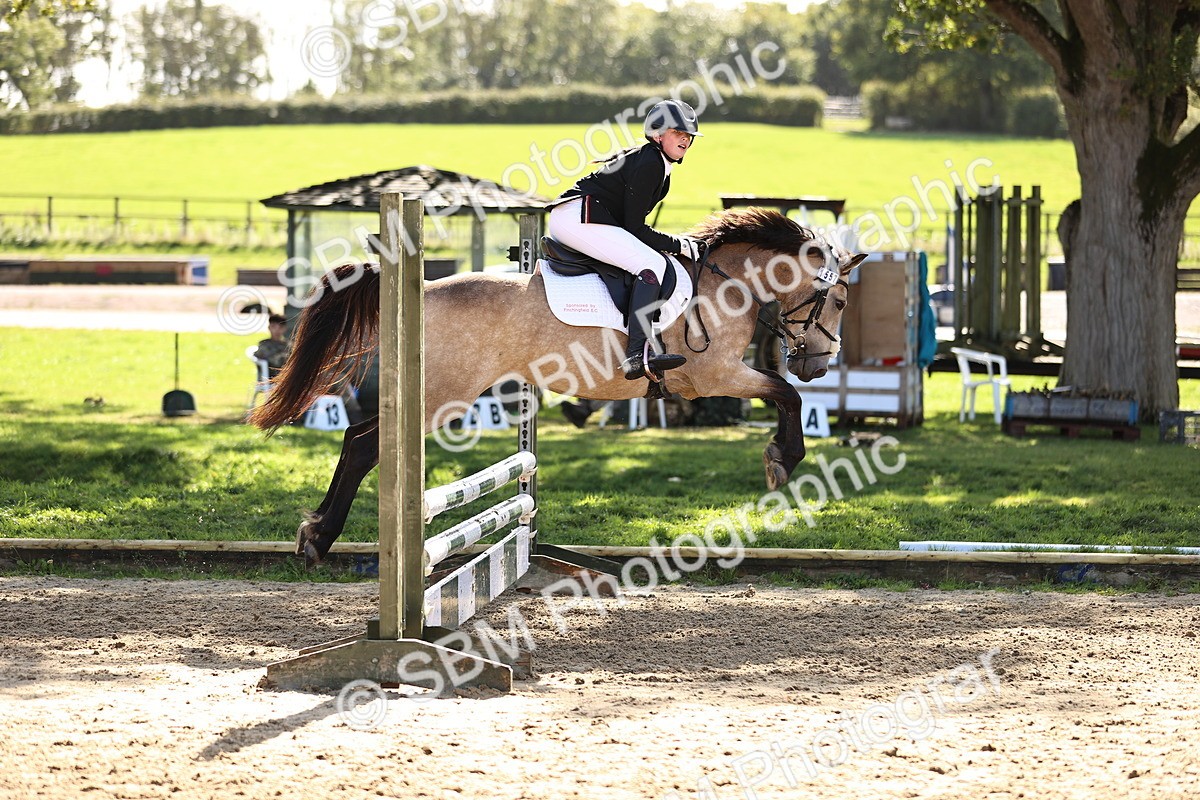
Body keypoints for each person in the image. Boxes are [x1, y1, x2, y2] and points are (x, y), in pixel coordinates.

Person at [547, 99, 705, 381]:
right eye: (678, 132)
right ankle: (636, 353)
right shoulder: (650, 163)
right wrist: (679, 244)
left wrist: (674, 243)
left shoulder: (657, 165)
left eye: (689, 135)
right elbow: (635, 227)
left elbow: (632, 227)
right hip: (578, 217)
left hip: (582, 217)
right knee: (651, 265)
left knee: (651, 260)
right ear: (658, 134)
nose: (686, 138)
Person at [254, 313, 290, 379]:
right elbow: (274, 363)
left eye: (280, 327)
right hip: (271, 378)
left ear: (285, 329)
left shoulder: (288, 345)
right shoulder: (264, 345)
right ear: (269, 327)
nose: (277, 330)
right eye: (274, 327)